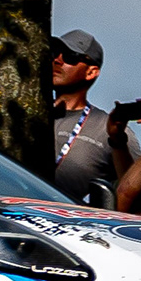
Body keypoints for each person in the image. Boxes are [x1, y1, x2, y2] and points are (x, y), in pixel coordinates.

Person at [44, 30, 111, 202]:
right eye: (54, 53)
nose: (57, 60)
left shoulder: (106, 128)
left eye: (70, 56)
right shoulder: (24, 113)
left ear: (91, 72)